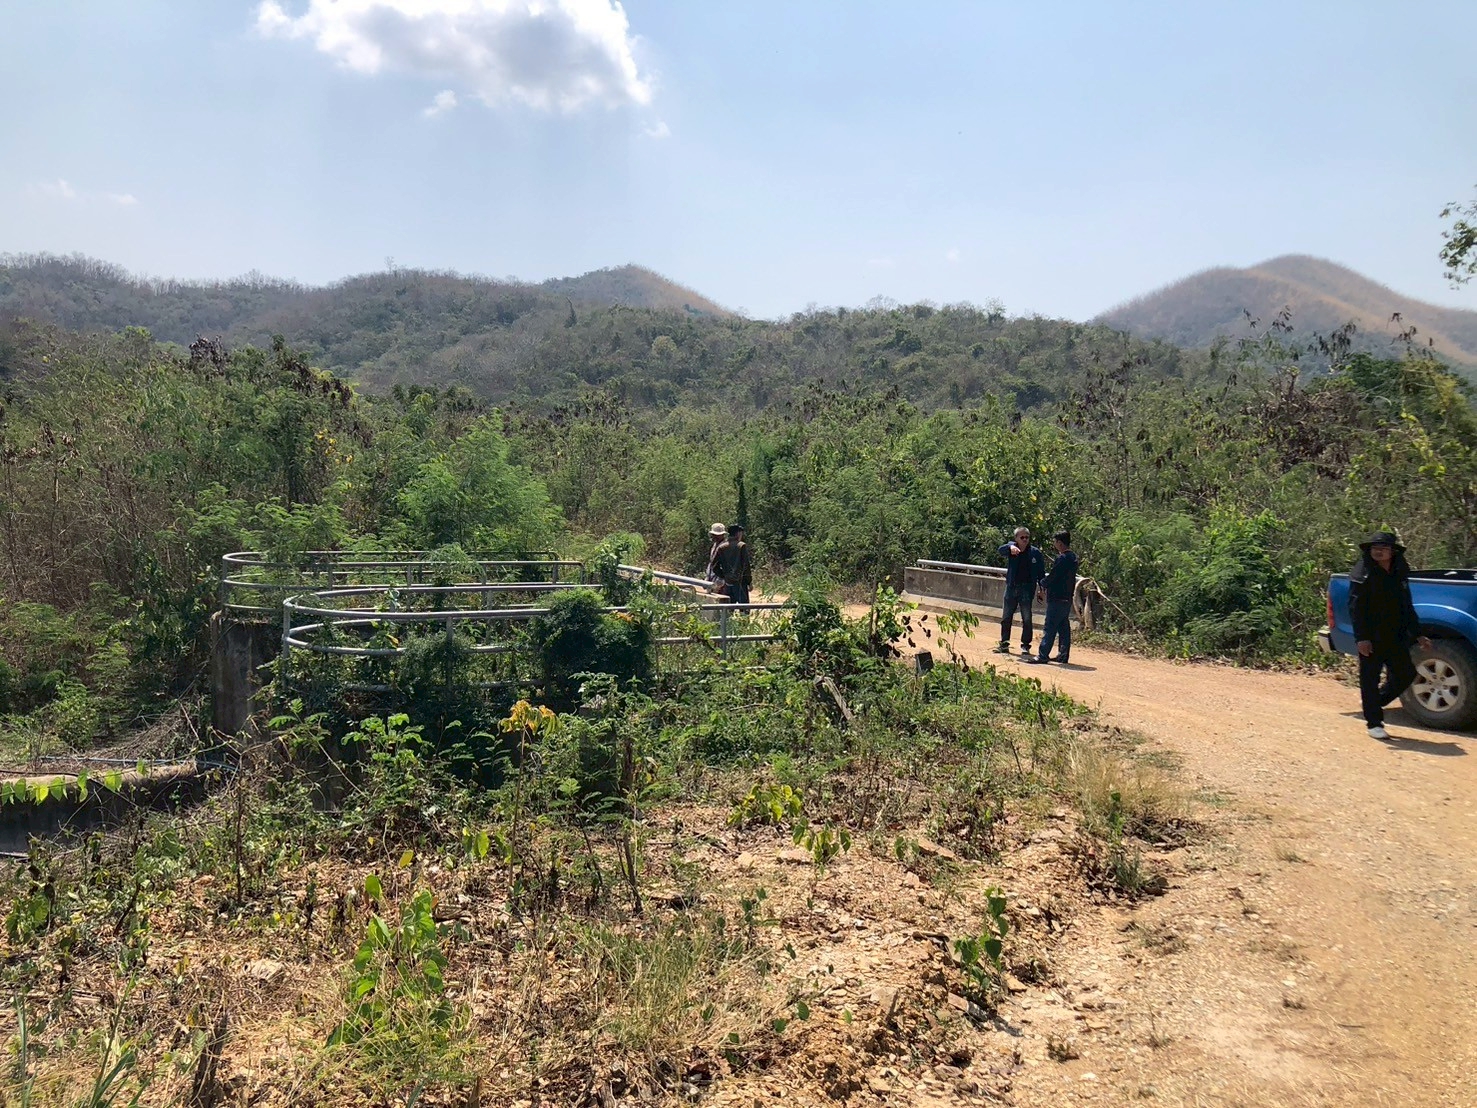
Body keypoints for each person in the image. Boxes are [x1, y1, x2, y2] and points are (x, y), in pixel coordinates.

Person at [1348, 530, 1431, 740]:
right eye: (1375, 548)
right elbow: (1356, 608)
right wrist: (1362, 638)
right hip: (1371, 637)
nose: (1378, 551)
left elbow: (1407, 605)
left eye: (1383, 548)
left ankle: (1375, 702)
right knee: (1370, 679)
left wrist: (1418, 634)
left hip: (1396, 635)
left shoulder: (1399, 572)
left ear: (1392, 551)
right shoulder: (1363, 574)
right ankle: (1374, 723)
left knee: (1406, 673)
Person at [1027, 531, 1078, 665]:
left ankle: (1043, 655)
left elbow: (1054, 576)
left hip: (1057, 597)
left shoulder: (1062, 559)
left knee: (1049, 627)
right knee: (1063, 627)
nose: (1054, 544)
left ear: (1059, 543)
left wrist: (1042, 583)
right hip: (1067, 597)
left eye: (1055, 542)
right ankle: (1063, 655)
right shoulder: (1073, 557)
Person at [995, 526, 1045, 655]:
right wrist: (1010, 547)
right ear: (1016, 538)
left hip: (1027, 589)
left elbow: (1041, 573)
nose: (1024, 540)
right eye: (1022, 537)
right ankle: (1004, 644)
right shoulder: (1012, 549)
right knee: (1006, 617)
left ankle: (1025, 645)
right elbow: (1000, 550)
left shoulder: (1035, 553)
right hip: (1011, 587)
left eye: (1027, 537)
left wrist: (1042, 589)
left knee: (1027, 618)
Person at [712, 524, 752, 605]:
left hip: (728, 583)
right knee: (744, 608)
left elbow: (714, 566)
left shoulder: (721, 547)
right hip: (741, 583)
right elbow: (746, 565)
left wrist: (724, 576)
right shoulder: (741, 546)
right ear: (738, 534)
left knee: (728, 608)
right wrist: (749, 581)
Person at [705, 523, 727, 590]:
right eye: (714, 535)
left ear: (723, 535)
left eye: (717, 535)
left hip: (720, 578)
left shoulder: (725, 546)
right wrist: (708, 576)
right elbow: (711, 562)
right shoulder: (714, 546)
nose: (715, 537)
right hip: (711, 575)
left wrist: (722, 578)